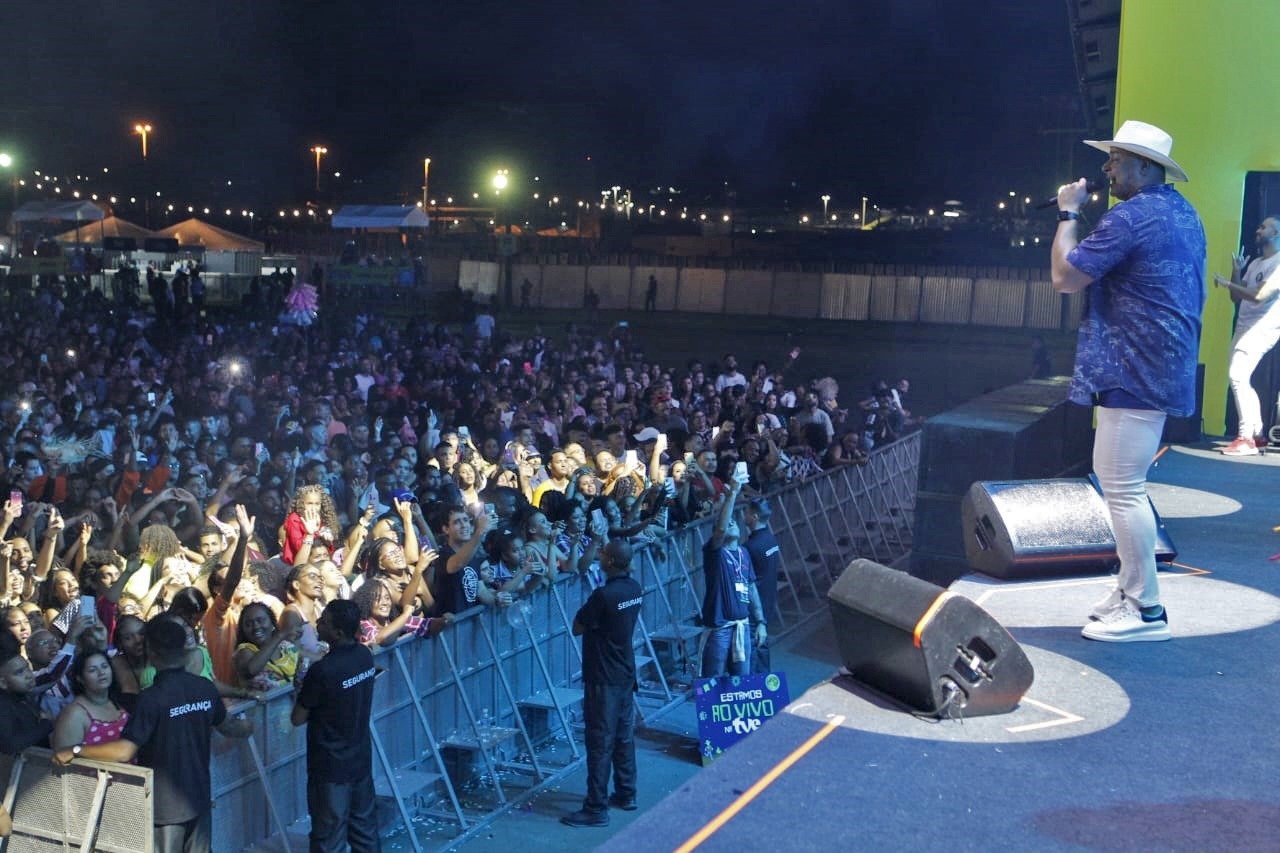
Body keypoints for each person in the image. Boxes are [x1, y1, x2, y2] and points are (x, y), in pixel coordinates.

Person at [1051, 119, 1205, 643]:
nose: (1107, 166)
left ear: (1144, 166)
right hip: (1157, 363)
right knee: (1123, 484)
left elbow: (1065, 277)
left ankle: (1146, 609)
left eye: (1115, 159)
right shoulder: (1181, 211)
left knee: (1122, 488)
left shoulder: (1133, 216)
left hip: (1133, 365)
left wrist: (1069, 214)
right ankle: (1129, 589)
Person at [52, 617, 255, 853]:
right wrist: (250, 725)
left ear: (152, 654)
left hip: (162, 809)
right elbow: (229, 727)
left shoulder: (151, 699)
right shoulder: (204, 688)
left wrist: (75, 750)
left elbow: (125, 750)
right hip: (199, 798)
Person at [561, 540, 642, 828]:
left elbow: (578, 626)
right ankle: (626, 792)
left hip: (603, 678)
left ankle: (596, 807)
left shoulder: (603, 595)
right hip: (625, 673)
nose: (600, 555)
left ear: (610, 562)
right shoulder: (634, 589)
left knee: (599, 743)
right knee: (623, 737)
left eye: (604, 553)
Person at [291, 599, 380, 852]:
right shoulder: (364, 656)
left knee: (329, 836)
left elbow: (297, 718)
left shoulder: (322, 671)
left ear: (338, 632)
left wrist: (303, 691)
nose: (318, 623)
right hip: (360, 759)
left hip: (330, 767)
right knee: (364, 832)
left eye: (325, 622)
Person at [1211, 215, 1280, 455]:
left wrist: (1228, 284)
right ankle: (1258, 433)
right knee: (1241, 378)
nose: (1259, 229)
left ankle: (1246, 438)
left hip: (1263, 327)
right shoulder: (1256, 263)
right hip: (1243, 327)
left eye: (1265, 227)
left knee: (1237, 375)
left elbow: (1259, 296)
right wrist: (1236, 272)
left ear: (1277, 233)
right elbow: (1236, 297)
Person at [699, 477, 766, 676]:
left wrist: (761, 622)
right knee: (713, 681)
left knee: (742, 681)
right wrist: (732, 494)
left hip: (742, 626)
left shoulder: (744, 553)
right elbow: (720, 529)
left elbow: (751, 587)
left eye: (733, 522)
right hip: (719, 629)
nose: (731, 524)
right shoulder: (714, 553)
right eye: (727, 523)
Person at [742, 496, 782, 672]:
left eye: (747, 512)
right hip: (768, 601)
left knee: (754, 652)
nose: (745, 515)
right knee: (762, 646)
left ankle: (758, 691)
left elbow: (747, 581)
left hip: (754, 607)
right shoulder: (771, 540)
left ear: (755, 516)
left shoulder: (751, 547)